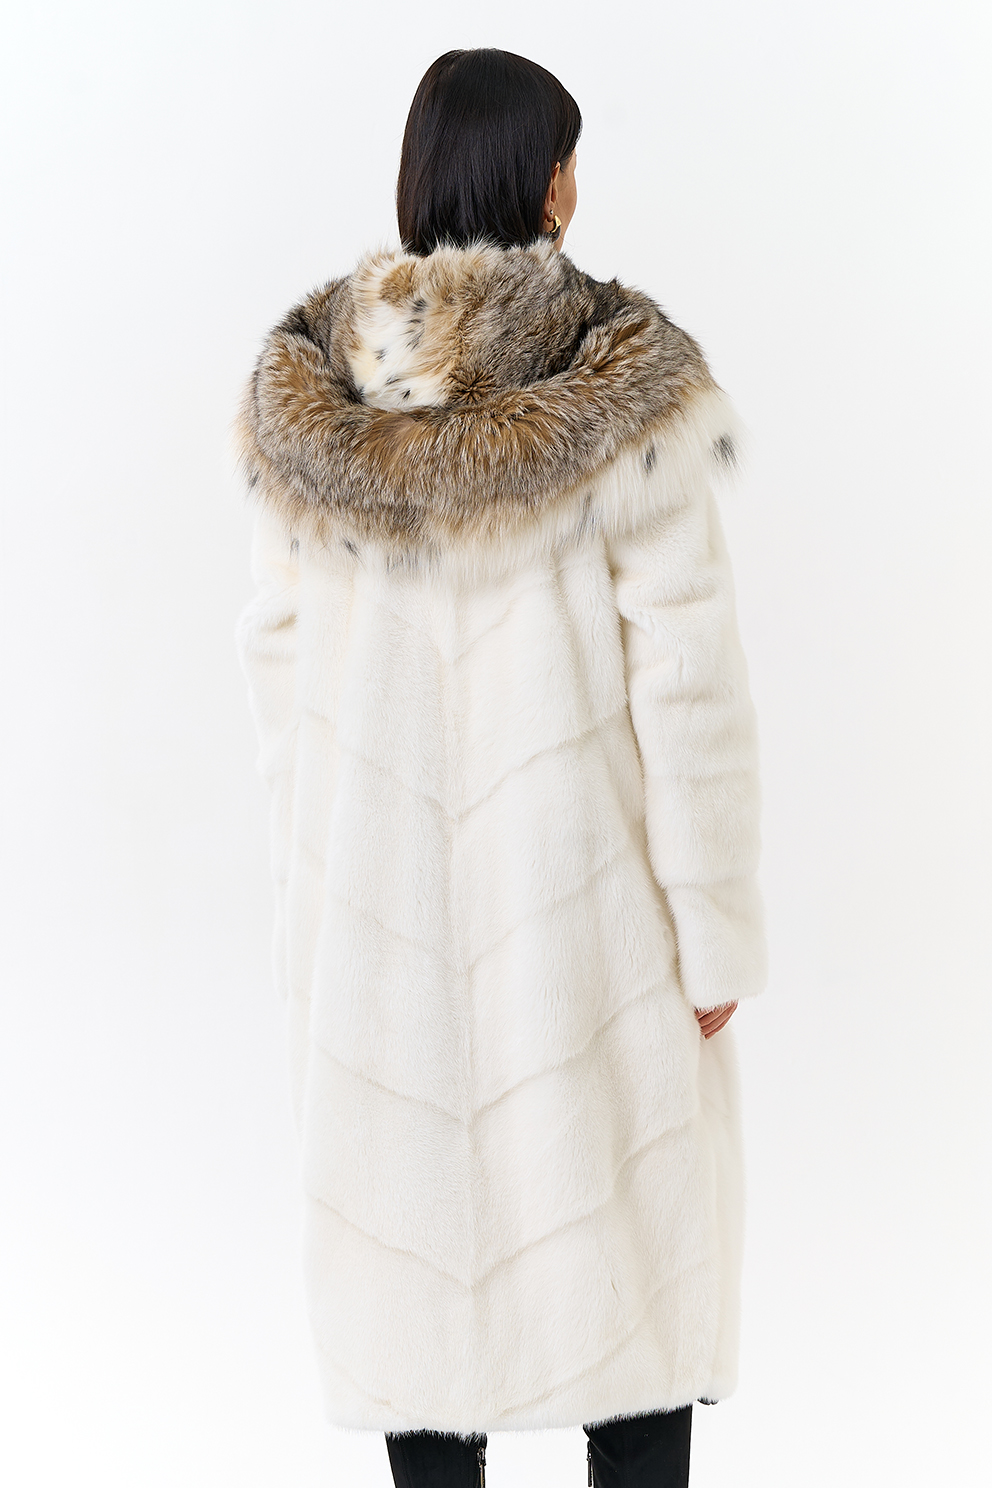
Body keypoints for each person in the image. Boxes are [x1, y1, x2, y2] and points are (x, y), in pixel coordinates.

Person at [235, 47, 766, 1488]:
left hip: (384, 939)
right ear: (551, 181)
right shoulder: (624, 381)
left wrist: (313, 920)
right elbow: (688, 678)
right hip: (591, 940)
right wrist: (713, 930)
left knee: (417, 1303)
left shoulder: (314, 391)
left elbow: (278, 667)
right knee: (632, 1286)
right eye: (570, 157)